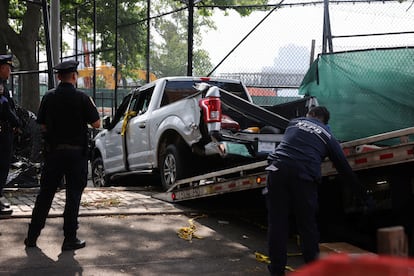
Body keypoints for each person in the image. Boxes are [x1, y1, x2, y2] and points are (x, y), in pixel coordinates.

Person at [264, 106, 362, 276]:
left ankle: (276, 271)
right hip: (303, 176)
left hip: (276, 169)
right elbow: (344, 168)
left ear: (310, 115)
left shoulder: (293, 123)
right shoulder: (328, 136)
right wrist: (363, 196)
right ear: (324, 121)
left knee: (277, 224)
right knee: (307, 226)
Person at [24, 60, 100, 250]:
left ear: (58, 77)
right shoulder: (83, 98)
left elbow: (40, 124)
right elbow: (97, 123)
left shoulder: (49, 97)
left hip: (54, 153)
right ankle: (69, 238)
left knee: (45, 195)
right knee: (73, 196)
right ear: (74, 77)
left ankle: (32, 236)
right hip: (76, 155)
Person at [0, 54, 20, 216]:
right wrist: (17, 123)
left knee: (4, 166)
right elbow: (5, 110)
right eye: (8, 68)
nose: (10, 72)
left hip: (5, 131)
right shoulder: (0, 87)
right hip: (2, 132)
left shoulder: (3, 86)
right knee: (2, 165)